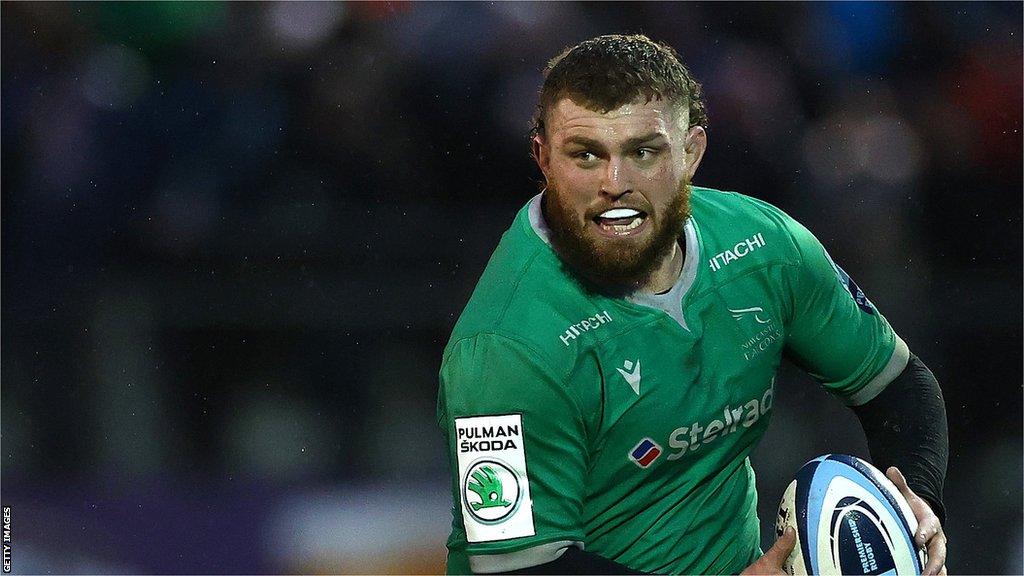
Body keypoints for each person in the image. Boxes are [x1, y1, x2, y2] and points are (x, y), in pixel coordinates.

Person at [436, 34, 948, 575]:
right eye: (586, 155)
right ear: (542, 158)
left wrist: (916, 503)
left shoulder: (766, 251)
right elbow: (517, 571)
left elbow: (899, 386)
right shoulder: (504, 349)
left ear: (692, 153)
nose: (615, 183)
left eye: (643, 152)